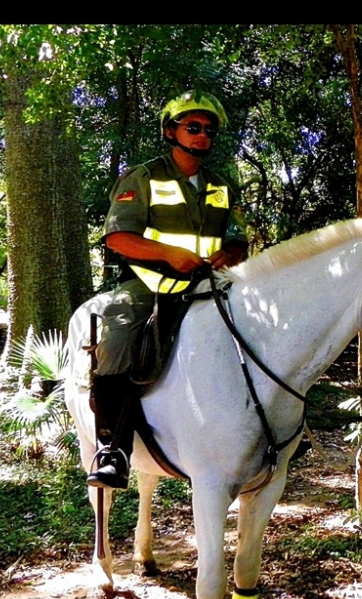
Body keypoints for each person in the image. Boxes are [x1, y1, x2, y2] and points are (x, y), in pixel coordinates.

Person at [87, 90, 249, 490]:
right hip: (151, 284)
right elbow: (118, 238)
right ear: (170, 130)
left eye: (208, 130)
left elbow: (237, 238)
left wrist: (231, 252)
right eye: (193, 127)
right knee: (120, 330)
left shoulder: (221, 186)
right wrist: (168, 254)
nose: (202, 136)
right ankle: (113, 450)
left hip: (211, 285)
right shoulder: (143, 177)